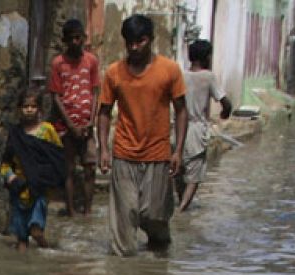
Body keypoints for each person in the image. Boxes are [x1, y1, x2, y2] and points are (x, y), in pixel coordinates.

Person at [96, 14, 188, 256]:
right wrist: (103, 149)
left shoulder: (169, 70)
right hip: (124, 152)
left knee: (153, 214)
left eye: (140, 41)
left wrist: (178, 150)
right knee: (125, 217)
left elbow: (181, 110)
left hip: (158, 153)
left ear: (151, 40)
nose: (134, 47)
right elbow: (104, 111)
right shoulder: (115, 73)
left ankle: (159, 242)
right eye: (130, 42)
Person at [47, 18, 100, 216]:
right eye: (71, 39)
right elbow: (55, 96)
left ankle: (87, 210)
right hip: (65, 126)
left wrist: (91, 121)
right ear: (65, 41)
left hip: (86, 126)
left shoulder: (91, 61)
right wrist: (70, 124)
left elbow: (95, 91)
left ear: (84, 38)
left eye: (79, 38)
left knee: (90, 168)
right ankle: (70, 211)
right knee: (68, 169)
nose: (75, 42)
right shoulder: (58, 64)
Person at [0, 92, 64, 250]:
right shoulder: (15, 134)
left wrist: (50, 179)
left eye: (33, 106)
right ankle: (24, 268)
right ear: (19, 109)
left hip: (39, 189)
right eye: (25, 106)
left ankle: (49, 253)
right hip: (19, 189)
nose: (29, 110)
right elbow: (6, 162)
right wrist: (10, 177)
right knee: (22, 240)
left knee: (36, 232)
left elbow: (57, 157)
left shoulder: (47, 130)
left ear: (39, 109)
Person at [176, 39, 232, 213]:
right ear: (206, 57)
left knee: (178, 171)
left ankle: (180, 205)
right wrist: (225, 113)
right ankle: (182, 211)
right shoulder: (208, 77)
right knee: (194, 176)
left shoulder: (180, 76)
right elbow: (225, 102)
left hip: (176, 130)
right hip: (196, 130)